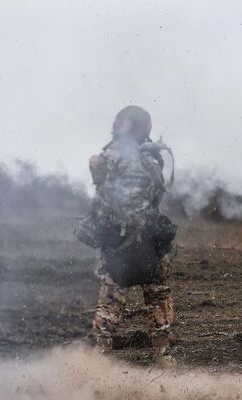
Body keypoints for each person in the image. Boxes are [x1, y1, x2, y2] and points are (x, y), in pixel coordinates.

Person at [75, 105, 177, 363]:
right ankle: (163, 356)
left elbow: (101, 188)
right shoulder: (152, 160)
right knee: (159, 298)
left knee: (110, 303)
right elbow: (157, 193)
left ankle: (100, 358)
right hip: (149, 242)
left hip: (116, 242)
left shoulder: (103, 160)